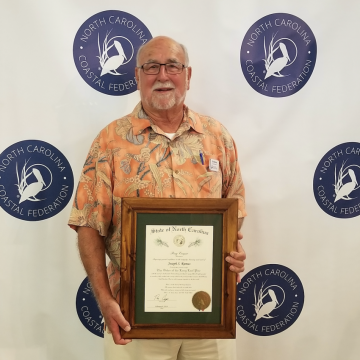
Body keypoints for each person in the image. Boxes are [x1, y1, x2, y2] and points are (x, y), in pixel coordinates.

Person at [68, 36, 247, 360]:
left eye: (172, 66)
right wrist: (104, 299)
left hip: (210, 314)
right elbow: (88, 224)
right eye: (151, 66)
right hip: (134, 317)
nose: (162, 75)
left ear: (188, 76)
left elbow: (234, 212)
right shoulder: (110, 142)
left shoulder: (217, 138)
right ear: (137, 76)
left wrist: (233, 251)